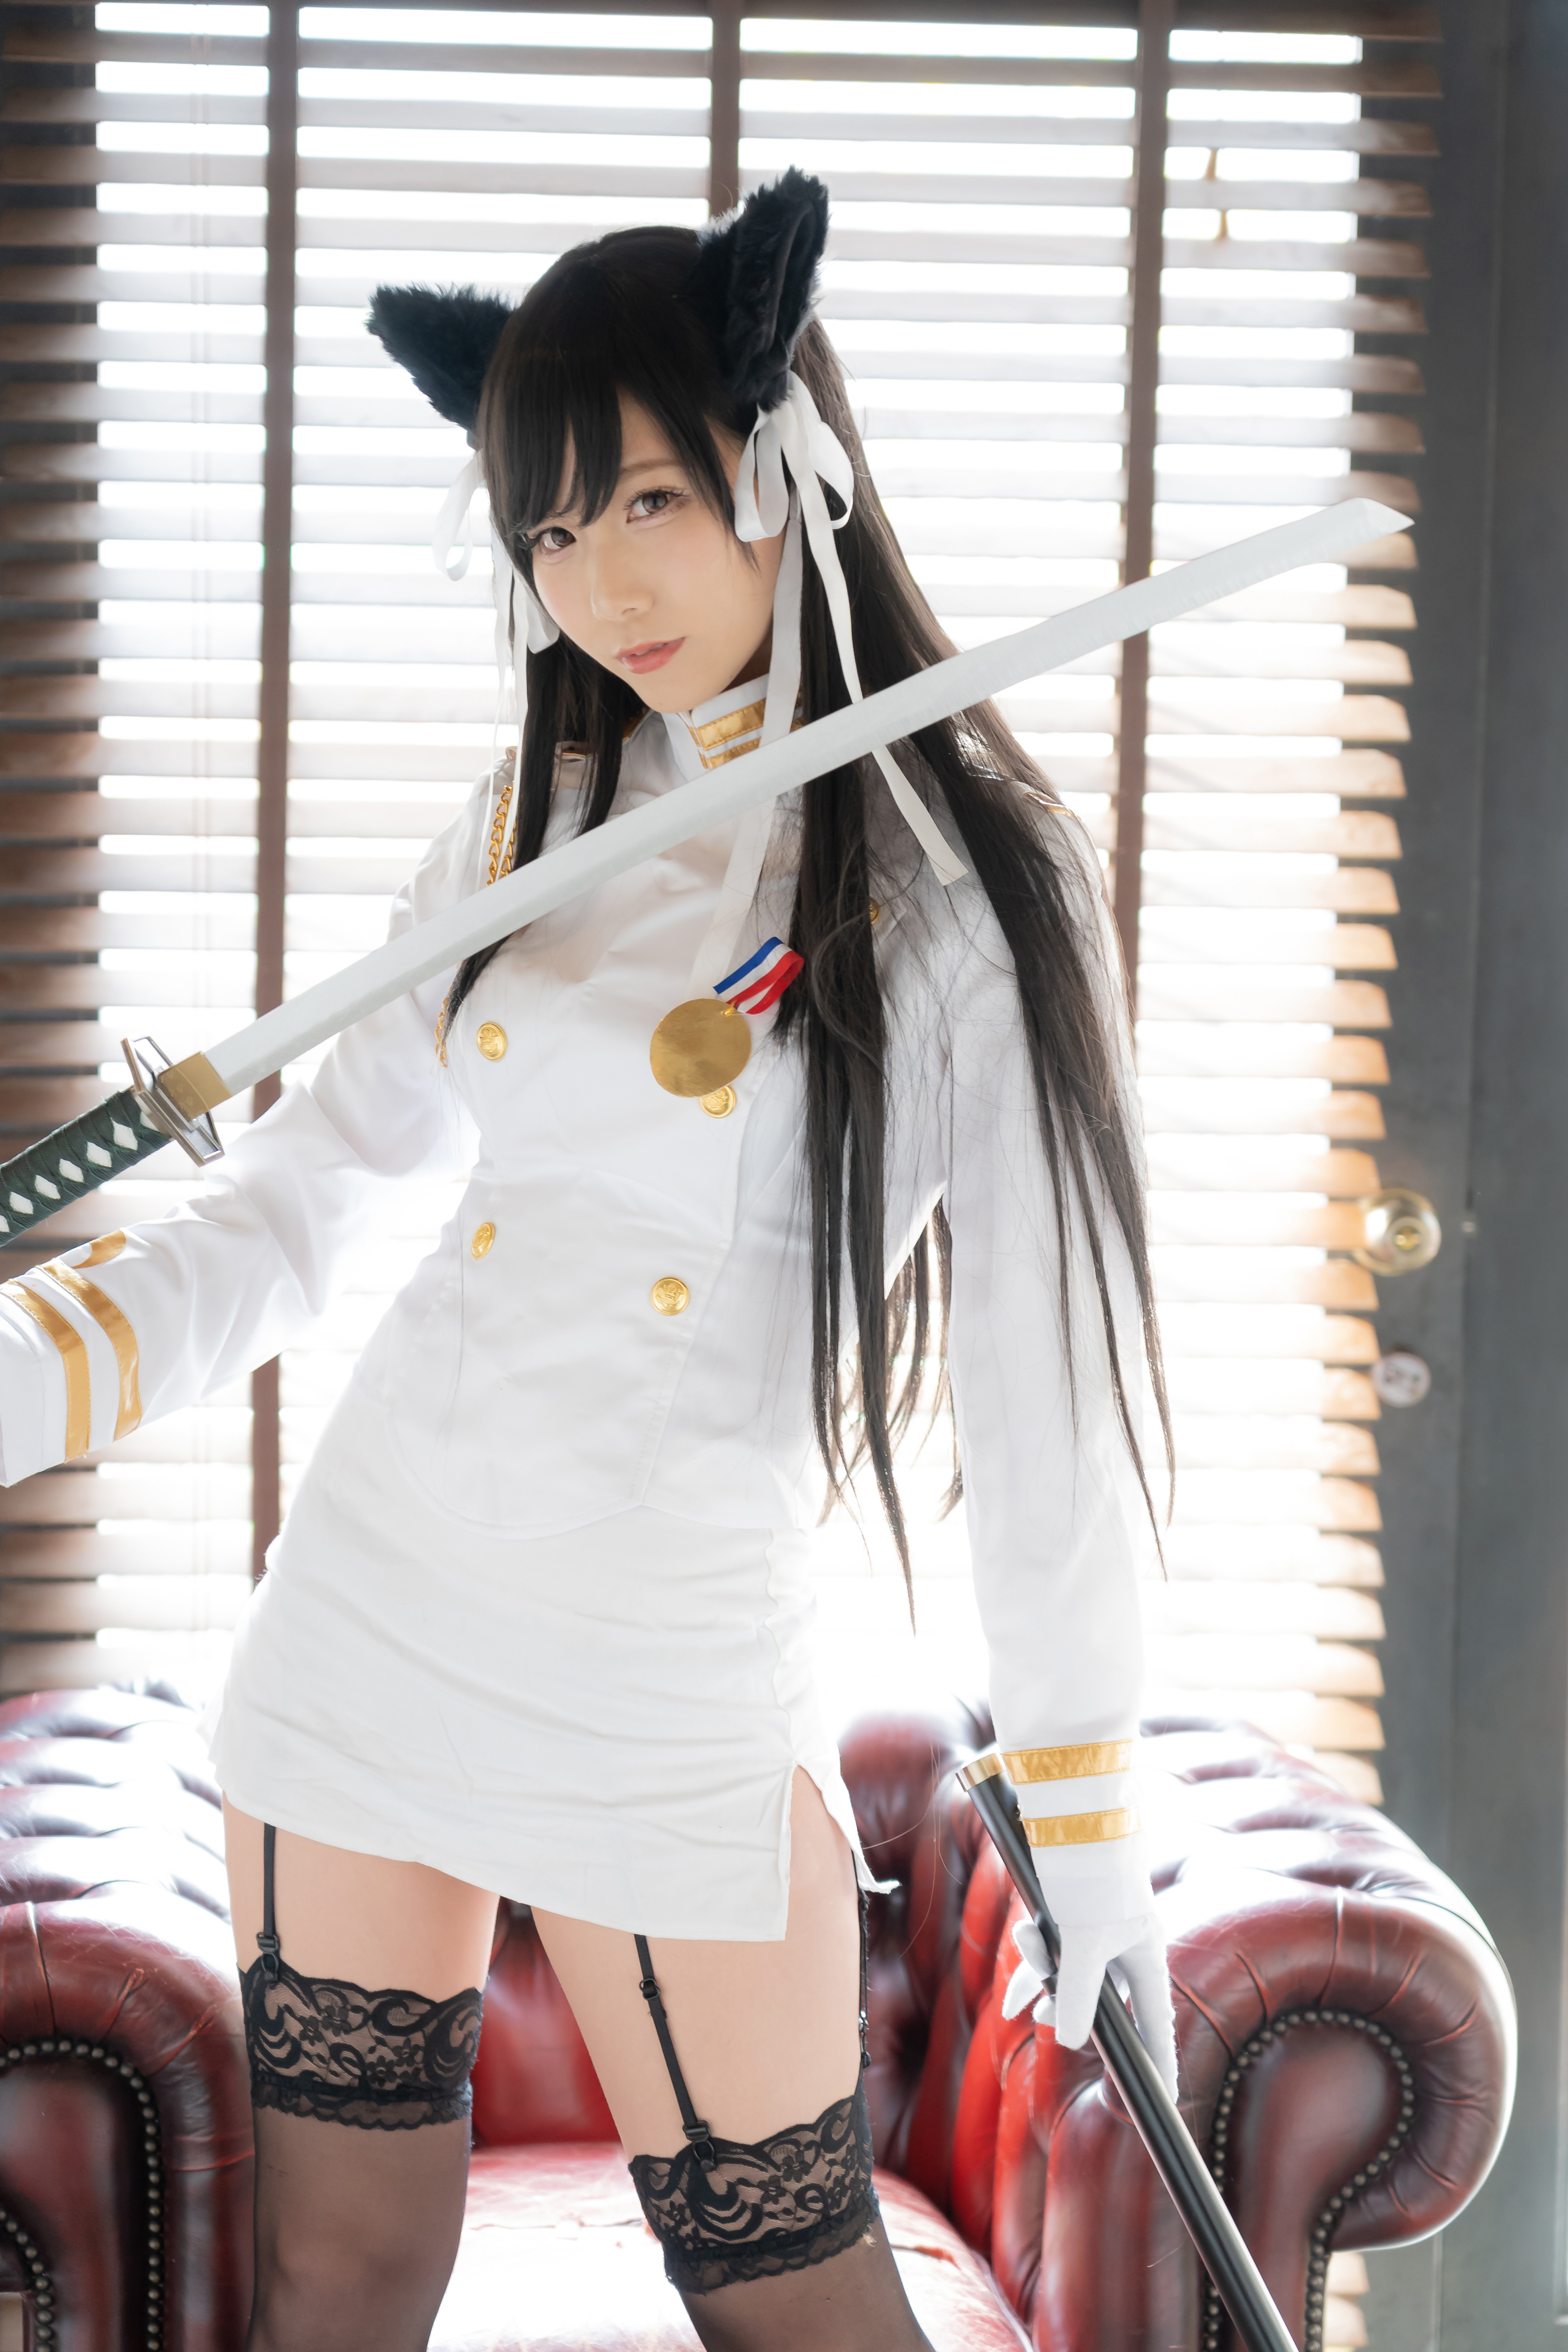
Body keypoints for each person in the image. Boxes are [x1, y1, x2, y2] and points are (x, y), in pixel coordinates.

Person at [0, 172, 1176, 2351]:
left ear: (784, 461)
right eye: (547, 529)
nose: (598, 581)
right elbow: (300, 1209)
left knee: (787, 2294)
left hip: (664, 1660)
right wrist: (19, 1375)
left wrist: (1088, 1808)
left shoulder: (974, 883)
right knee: (336, 2277)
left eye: (646, 499)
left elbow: (1049, 1390)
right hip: (377, 1604)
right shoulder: (528, 819)